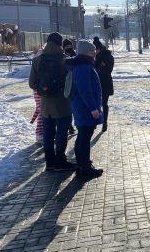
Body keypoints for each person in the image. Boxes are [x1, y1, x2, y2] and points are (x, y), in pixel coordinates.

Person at [28, 32, 75, 171]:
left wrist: (44, 89)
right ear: (60, 44)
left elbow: (32, 83)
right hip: (63, 104)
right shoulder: (65, 60)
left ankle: (49, 162)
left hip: (45, 105)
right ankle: (60, 160)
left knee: (48, 132)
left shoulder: (38, 60)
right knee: (62, 132)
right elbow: (71, 83)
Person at [66, 40, 104, 178]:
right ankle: (84, 168)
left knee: (82, 136)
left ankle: (83, 164)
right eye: (92, 51)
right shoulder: (83, 66)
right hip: (85, 109)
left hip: (81, 107)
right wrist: (93, 108)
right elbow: (85, 90)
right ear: (86, 52)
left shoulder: (82, 64)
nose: (95, 53)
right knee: (84, 138)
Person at [94, 38, 114, 132]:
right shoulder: (94, 57)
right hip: (95, 84)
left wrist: (100, 64)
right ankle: (94, 122)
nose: (94, 52)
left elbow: (107, 70)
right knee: (94, 104)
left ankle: (105, 123)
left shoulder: (107, 56)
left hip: (105, 84)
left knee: (104, 103)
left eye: (96, 49)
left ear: (100, 48)